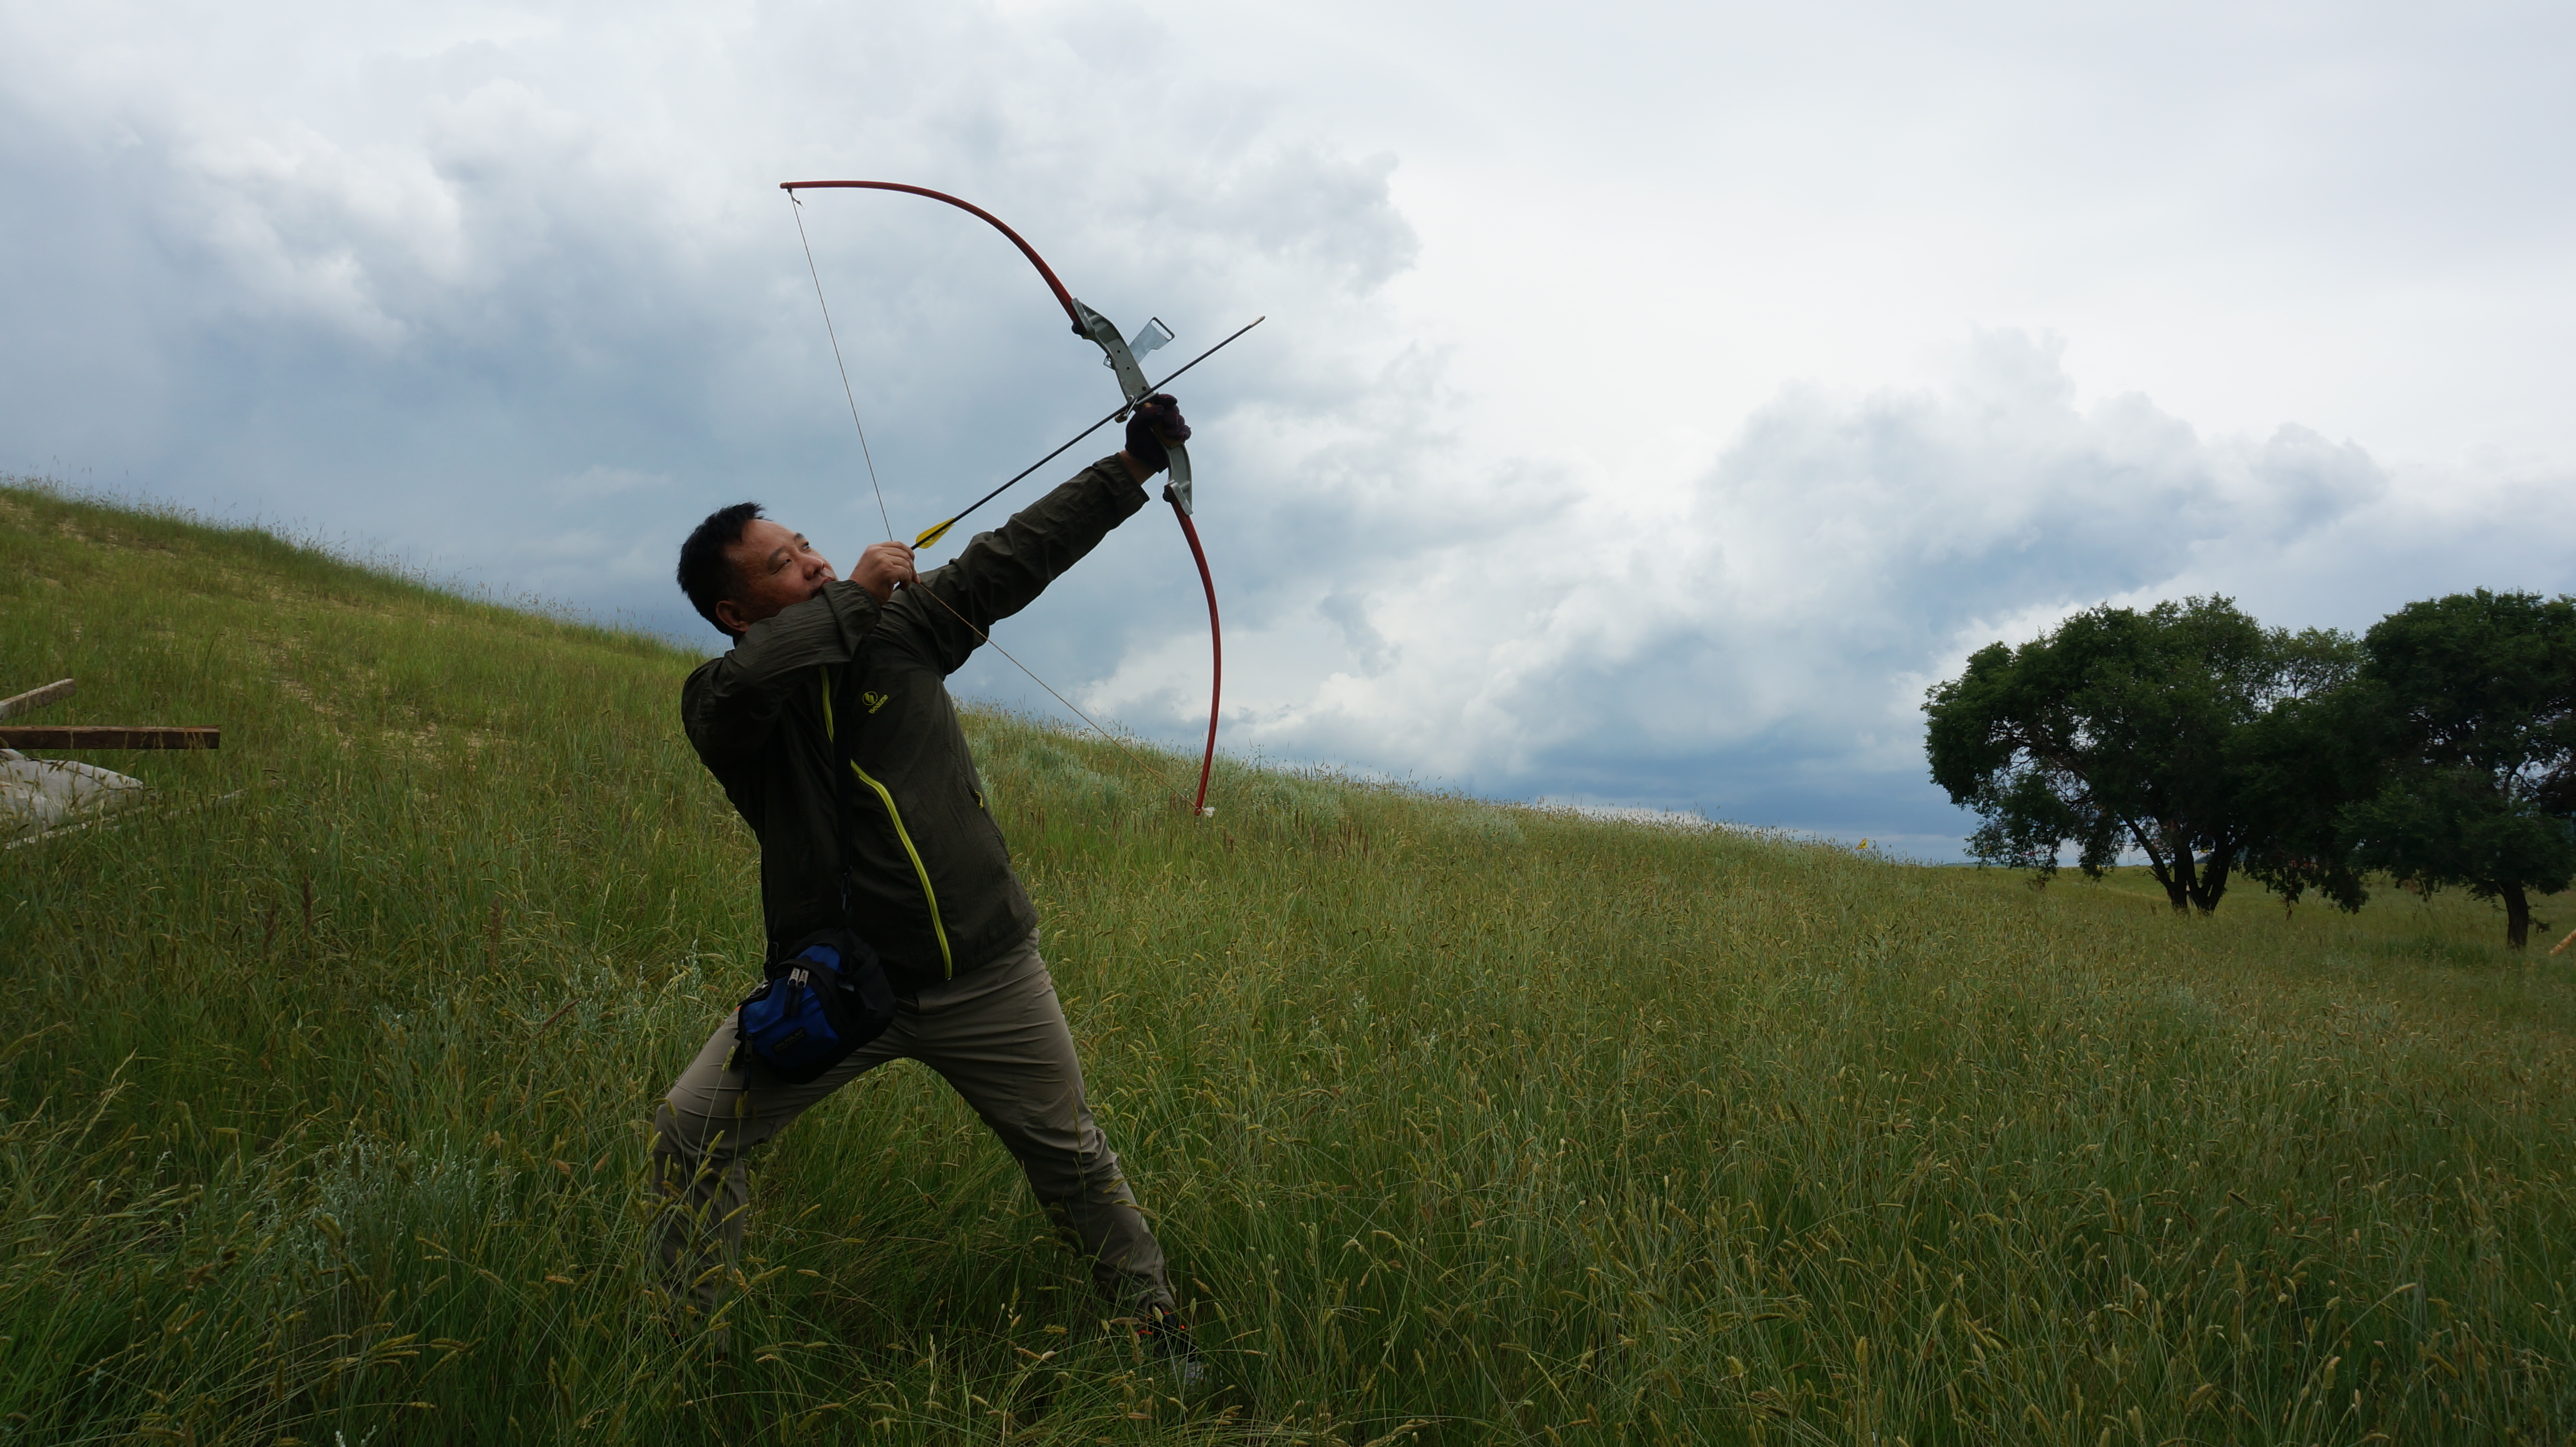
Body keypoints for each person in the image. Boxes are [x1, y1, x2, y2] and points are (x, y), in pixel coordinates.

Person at [652, 395, 1197, 1375]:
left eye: (809, 546)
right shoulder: (725, 701)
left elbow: (1008, 557)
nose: (815, 562)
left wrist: (1128, 471)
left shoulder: (903, 635)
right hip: (839, 990)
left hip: (988, 973)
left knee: (1073, 1162)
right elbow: (746, 687)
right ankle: (699, 1354)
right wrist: (855, 593)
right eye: (783, 564)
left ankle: (1158, 1338)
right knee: (692, 1134)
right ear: (735, 612)